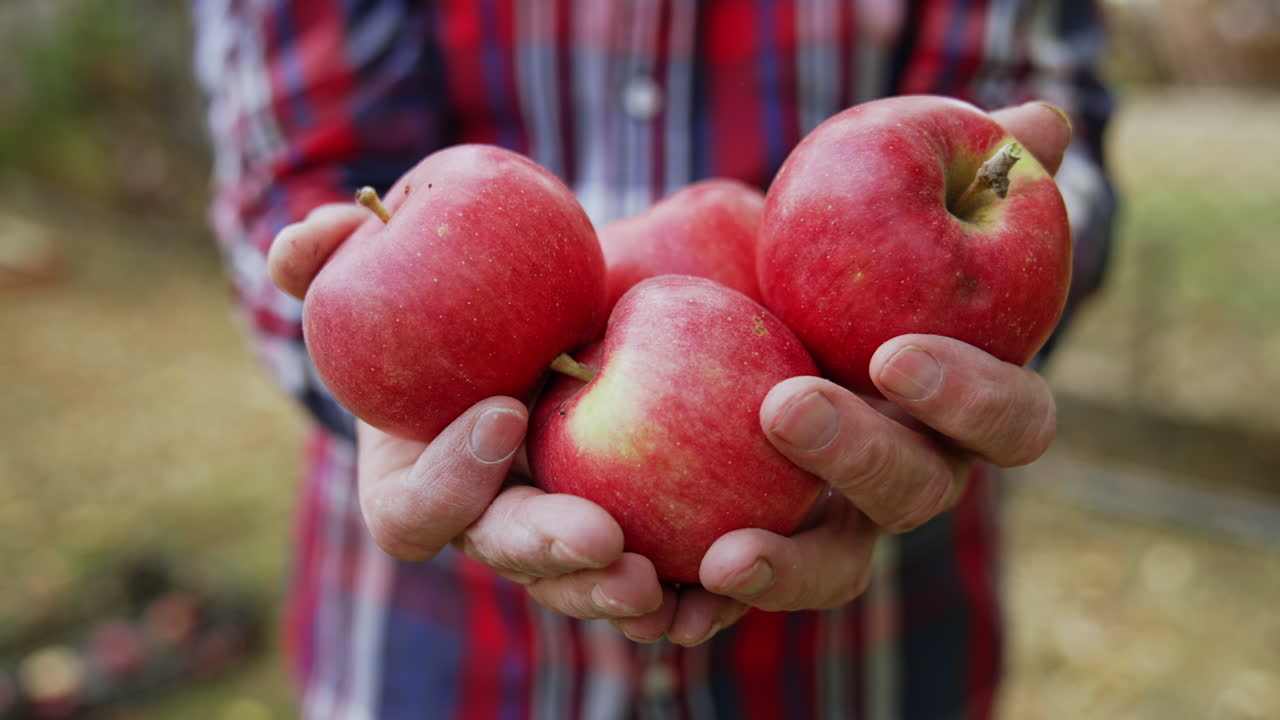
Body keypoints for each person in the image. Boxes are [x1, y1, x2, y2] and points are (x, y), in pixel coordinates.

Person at [193, 1, 1115, 717]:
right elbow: (291, 172)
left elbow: (1038, 150)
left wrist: (986, 347)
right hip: (440, 652)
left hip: (874, 631)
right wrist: (385, 372)